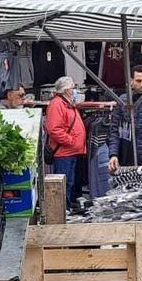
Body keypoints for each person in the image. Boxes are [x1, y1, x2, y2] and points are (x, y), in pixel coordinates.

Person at [43, 77, 87, 206]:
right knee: (64, 183)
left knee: (71, 182)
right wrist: (71, 141)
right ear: (67, 90)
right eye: (73, 88)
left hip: (72, 151)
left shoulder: (68, 104)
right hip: (64, 152)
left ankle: (68, 207)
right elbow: (54, 129)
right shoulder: (57, 104)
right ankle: (62, 209)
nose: (75, 91)